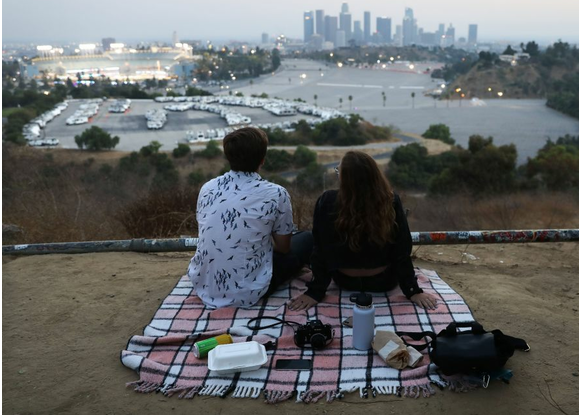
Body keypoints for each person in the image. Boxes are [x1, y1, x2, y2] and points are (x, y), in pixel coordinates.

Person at [289, 151, 438, 311]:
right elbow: (402, 248)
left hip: (345, 281)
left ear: (345, 178)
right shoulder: (390, 200)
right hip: (384, 282)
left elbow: (321, 248)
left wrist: (315, 292)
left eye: (339, 172)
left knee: (307, 239)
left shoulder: (327, 201)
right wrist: (412, 291)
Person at [187, 127, 312, 308]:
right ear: (262, 160)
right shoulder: (276, 193)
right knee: (306, 239)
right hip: (248, 291)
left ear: (228, 156)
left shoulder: (208, 188)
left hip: (204, 284)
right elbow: (284, 248)